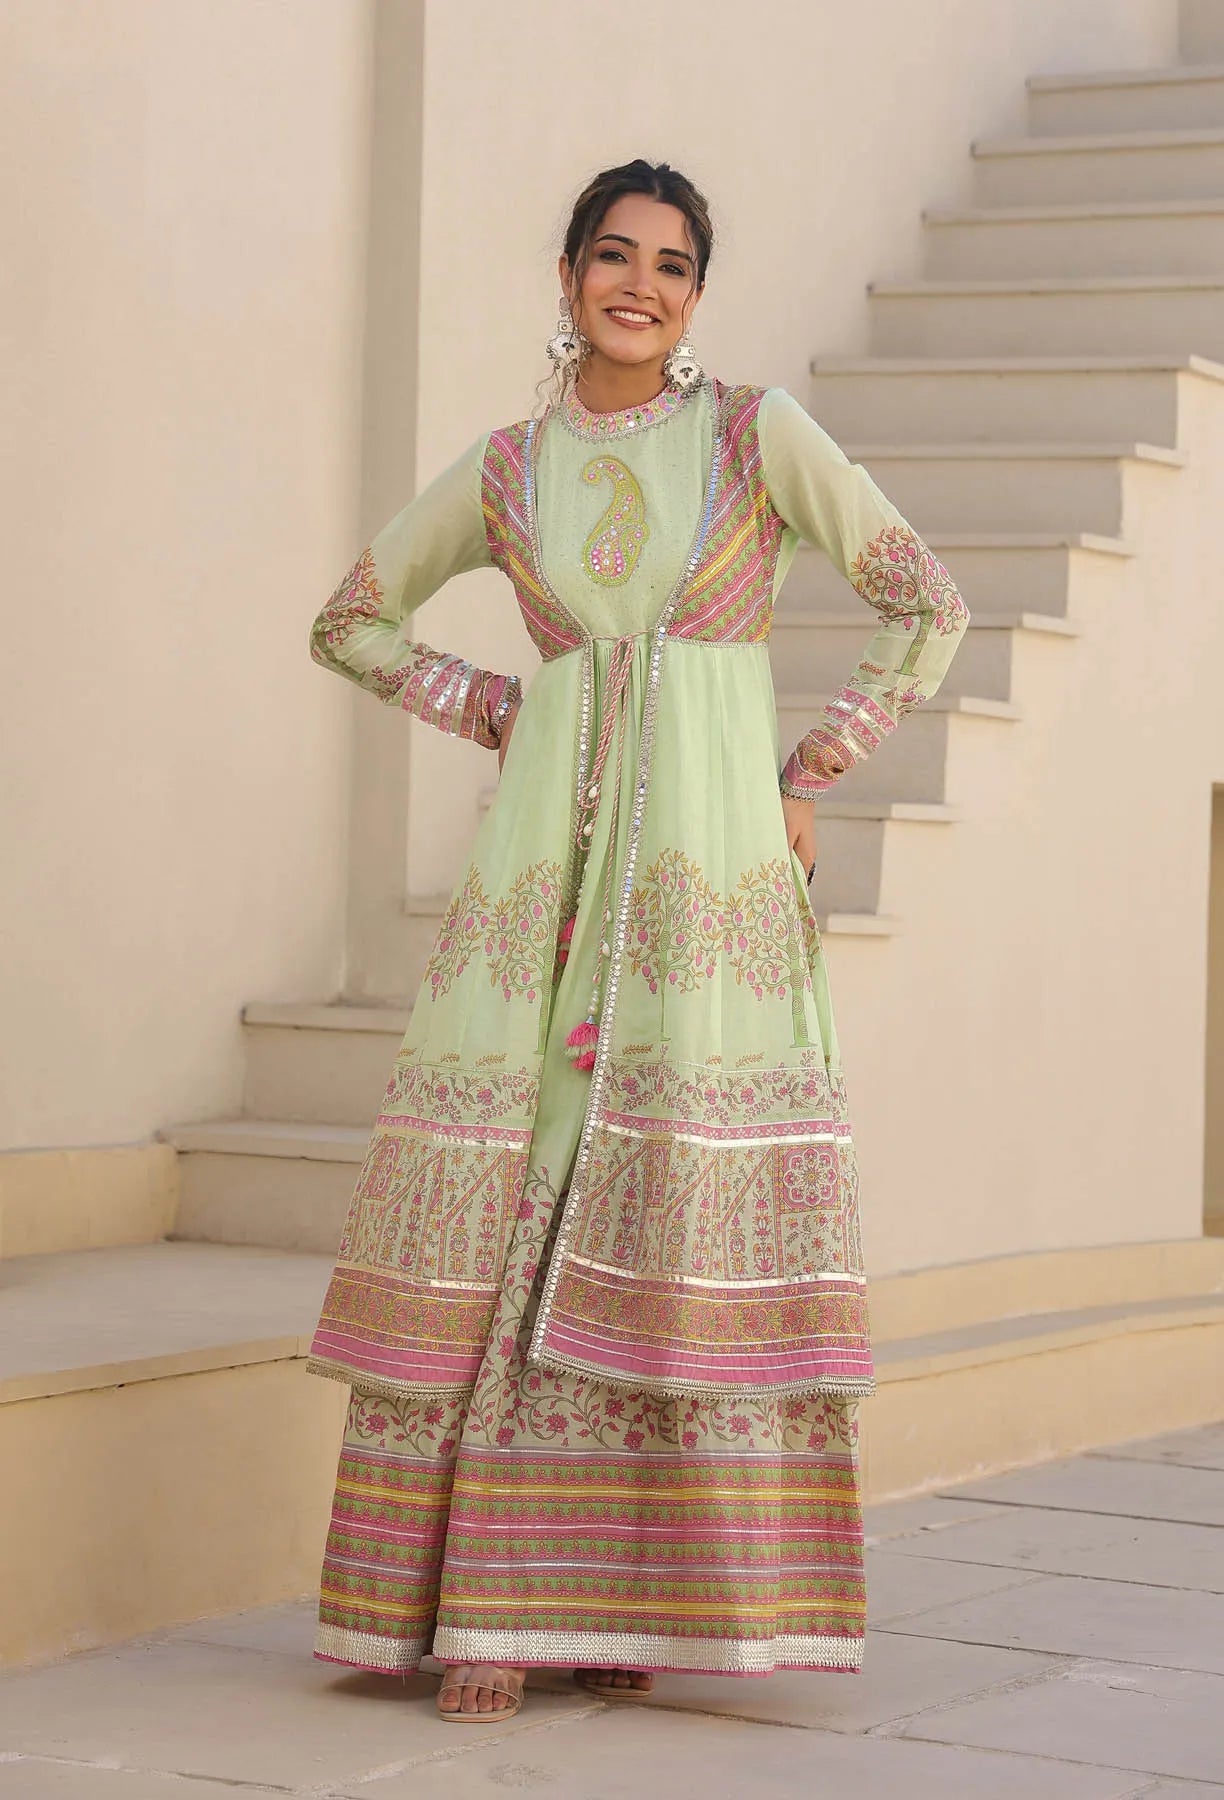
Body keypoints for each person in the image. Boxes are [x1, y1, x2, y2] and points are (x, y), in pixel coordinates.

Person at [304, 158, 969, 1723]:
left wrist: (812, 763)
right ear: (566, 274)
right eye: (617, 256)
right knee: (520, 1198)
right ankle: (487, 1616)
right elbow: (350, 618)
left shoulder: (753, 437)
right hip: (546, 884)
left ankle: (630, 1606)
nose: (644, 287)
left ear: (695, 296)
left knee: (664, 1203)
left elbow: (921, 598)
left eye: (674, 266)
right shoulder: (509, 467)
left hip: (700, 893)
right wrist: (488, 703)